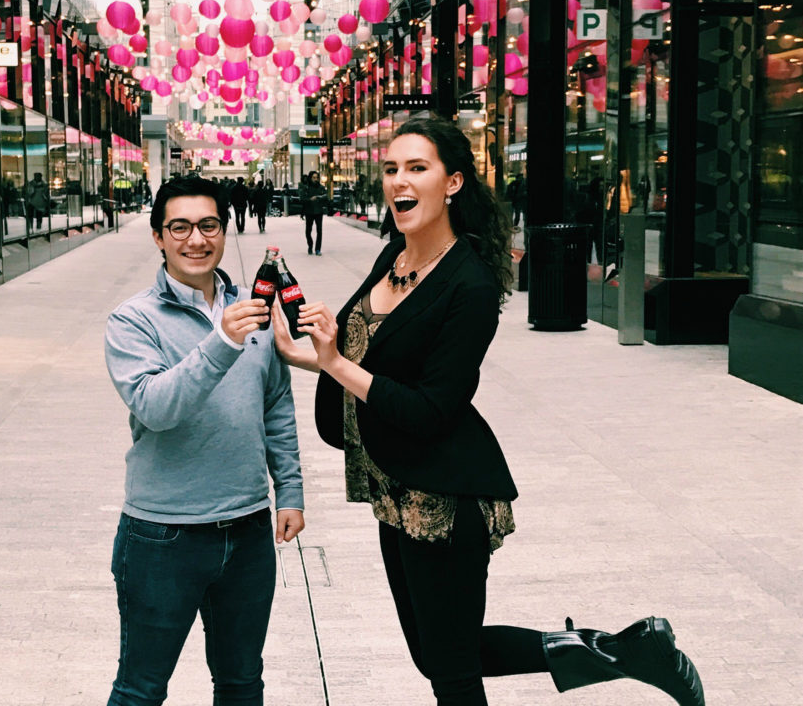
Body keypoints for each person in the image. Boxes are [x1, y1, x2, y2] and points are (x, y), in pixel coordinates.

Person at [272, 116, 704, 706]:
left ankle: (626, 652)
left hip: (444, 498)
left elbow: (430, 408)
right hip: (392, 484)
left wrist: (336, 364)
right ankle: (626, 651)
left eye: (417, 168)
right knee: (437, 653)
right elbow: (372, 360)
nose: (399, 180)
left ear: (452, 183)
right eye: (392, 168)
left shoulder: (468, 286)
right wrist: (307, 356)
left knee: (451, 672)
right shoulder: (391, 259)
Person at [103, 175, 305, 706]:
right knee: (140, 689)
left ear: (224, 228)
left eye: (209, 225)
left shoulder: (255, 308)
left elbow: (276, 404)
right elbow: (156, 407)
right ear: (158, 236)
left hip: (247, 531)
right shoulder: (133, 320)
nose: (197, 240)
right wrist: (221, 342)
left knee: (241, 683)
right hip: (161, 536)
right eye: (181, 227)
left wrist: (290, 491)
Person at [299, 170, 327, 255]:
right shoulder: (306, 188)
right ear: (310, 178)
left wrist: (319, 197)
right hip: (309, 211)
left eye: (317, 178)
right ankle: (310, 245)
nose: (316, 179)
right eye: (314, 178)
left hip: (319, 211)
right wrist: (310, 200)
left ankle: (317, 249)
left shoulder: (321, 188)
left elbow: (326, 196)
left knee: (319, 231)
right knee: (308, 231)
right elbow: (302, 199)